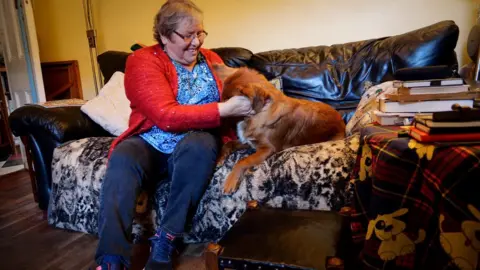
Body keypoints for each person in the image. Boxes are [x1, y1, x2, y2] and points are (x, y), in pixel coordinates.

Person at [94, 1, 253, 269]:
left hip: (195, 142)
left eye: (200, 33)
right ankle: (111, 258)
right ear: (165, 36)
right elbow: (166, 117)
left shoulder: (212, 59)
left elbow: (239, 90)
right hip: (151, 141)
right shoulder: (142, 60)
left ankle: (166, 241)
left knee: (201, 143)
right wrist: (223, 108)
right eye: (187, 35)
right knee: (123, 157)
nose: (196, 42)